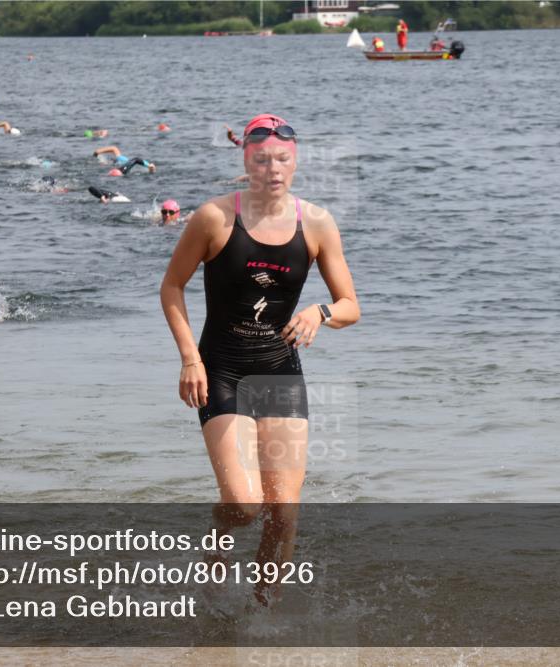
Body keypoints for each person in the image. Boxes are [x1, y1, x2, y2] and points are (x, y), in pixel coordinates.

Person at [160, 113, 360, 606]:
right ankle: (216, 542)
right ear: (246, 160)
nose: (273, 168)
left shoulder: (315, 223)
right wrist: (190, 359)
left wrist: (322, 311)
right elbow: (172, 287)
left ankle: (261, 614)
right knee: (245, 505)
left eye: (283, 160)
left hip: (279, 374)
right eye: (262, 159)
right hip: (221, 371)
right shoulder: (213, 218)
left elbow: (351, 305)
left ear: (296, 163)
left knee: (284, 513)